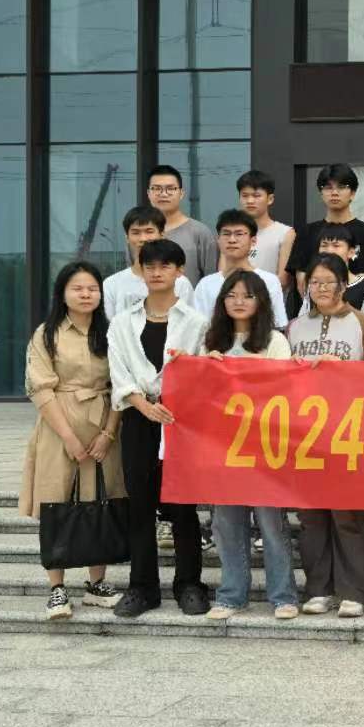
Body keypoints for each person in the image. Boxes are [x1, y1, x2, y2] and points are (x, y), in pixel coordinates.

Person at [107, 239, 208, 618]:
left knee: (182, 505)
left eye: (165, 265)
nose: (156, 272)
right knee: (140, 505)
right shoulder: (123, 321)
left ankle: (190, 584)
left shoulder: (196, 322)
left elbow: (202, 372)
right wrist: (143, 405)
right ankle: (142, 587)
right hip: (138, 417)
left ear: (179, 271)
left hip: (181, 421)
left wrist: (174, 401)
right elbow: (118, 371)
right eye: (149, 265)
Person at [22, 261, 125, 621]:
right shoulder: (47, 334)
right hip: (58, 426)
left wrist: (108, 434)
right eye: (77, 288)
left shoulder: (112, 333)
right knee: (57, 503)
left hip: (104, 424)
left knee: (102, 501)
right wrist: (68, 437)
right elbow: (39, 387)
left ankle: (97, 584)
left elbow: (122, 386)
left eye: (92, 288)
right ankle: (57, 588)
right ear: (62, 293)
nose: (85, 294)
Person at [287, 253, 364, 617]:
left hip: (349, 430)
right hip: (304, 434)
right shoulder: (294, 328)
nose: (321, 288)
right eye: (315, 282)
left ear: (344, 284)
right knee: (311, 515)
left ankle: (353, 591)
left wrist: (342, 369)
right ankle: (318, 589)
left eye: (329, 281)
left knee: (347, 513)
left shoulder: (363, 324)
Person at [199, 271, 297, 621]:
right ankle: (231, 595)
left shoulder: (275, 340)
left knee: (271, 524)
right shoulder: (210, 341)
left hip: (265, 446)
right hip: (222, 447)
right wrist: (204, 367)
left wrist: (238, 370)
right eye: (232, 295)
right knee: (226, 525)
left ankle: (283, 596)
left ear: (261, 302)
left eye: (247, 295)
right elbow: (199, 392)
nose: (239, 301)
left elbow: (284, 383)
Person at [284, 163, 364, 290]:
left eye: (341, 187)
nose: (334, 192)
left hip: (353, 301)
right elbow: (302, 281)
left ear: (352, 193)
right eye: (328, 187)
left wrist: (341, 301)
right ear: (321, 193)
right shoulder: (307, 232)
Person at [191, 209, 289, 329]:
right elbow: (199, 328)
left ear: (253, 241)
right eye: (226, 234)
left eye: (239, 234)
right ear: (218, 240)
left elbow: (277, 324)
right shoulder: (205, 284)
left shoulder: (269, 281)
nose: (232, 240)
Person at [103, 205, 195, 317]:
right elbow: (109, 324)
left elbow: (189, 322)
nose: (143, 239)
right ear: (127, 238)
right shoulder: (111, 284)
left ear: (162, 235)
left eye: (149, 231)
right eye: (136, 233)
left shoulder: (180, 283)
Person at [145, 164, 218, 281]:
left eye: (170, 188)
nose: (163, 194)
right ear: (148, 193)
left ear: (181, 193)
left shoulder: (200, 233)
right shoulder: (139, 234)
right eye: (157, 188)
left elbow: (212, 279)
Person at [236, 168, 296, 290]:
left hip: (269, 300)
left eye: (256, 195)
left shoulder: (285, 233)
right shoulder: (231, 234)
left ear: (270, 199)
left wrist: (250, 294)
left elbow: (283, 280)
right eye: (245, 196)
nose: (250, 201)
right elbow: (223, 274)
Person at [316, 224, 364, 316]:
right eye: (324, 245)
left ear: (351, 252)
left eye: (336, 245)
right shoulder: (313, 285)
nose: (329, 251)